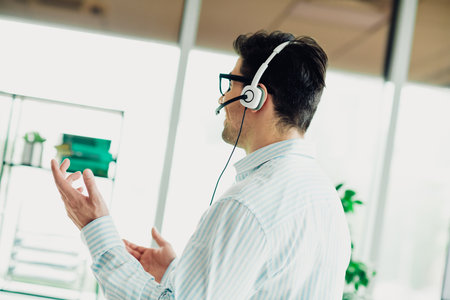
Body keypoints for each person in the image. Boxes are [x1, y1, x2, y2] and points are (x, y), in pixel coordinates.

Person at [51, 31, 351, 299]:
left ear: (254, 96)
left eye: (230, 84)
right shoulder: (326, 200)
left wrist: (95, 227)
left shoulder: (248, 204)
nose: (222, 97)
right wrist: (173, 273)